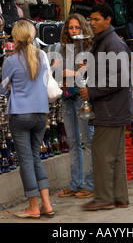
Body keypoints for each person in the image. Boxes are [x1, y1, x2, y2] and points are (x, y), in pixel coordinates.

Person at [79, 3, 133, 211]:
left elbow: (120, 78)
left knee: (102, 152)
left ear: (108, 20)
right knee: (115, 154)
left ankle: (104, 197)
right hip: (113, 108)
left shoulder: (112, 43)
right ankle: (120, 197)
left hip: (112, 109)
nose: (92, 23)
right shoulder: (105, 42)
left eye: (96, 19)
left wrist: (92, 92)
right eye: (91, 19)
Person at [0, 20, 54, 219]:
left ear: (16, 38)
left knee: (26, 161)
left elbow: (2, 88)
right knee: (35, 158)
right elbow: (46, 81)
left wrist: (12, 88)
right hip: (40, 113)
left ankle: (33, 206)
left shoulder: (11, 61)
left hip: (20, 115)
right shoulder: (42, 55)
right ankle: (47, 204)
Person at [55, 13, 95, 199]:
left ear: (83, 28)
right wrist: (60, 72)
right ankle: (75, 183)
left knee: (88, 141)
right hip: (66, 96)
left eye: (77, 28)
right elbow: (56, 72)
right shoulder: (61, 48)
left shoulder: (88, 46)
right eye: (71, 28)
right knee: (72, 141)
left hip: (83, 96)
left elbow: (92, 71)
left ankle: (91, 183)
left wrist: (75, 72)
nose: (73, 31)